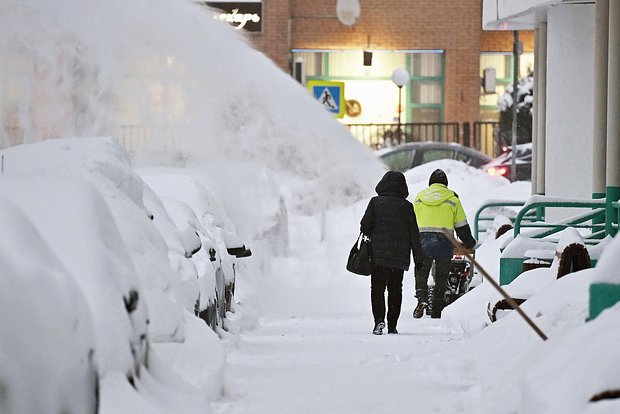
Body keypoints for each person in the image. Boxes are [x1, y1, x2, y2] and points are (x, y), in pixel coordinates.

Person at [360, 171, 423, 335]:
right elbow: (414, 234)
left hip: (378, 255)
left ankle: (379, 321)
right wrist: (418, 258)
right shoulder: (407, 206)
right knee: (396, 289)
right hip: (399, 255)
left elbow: (365, 226)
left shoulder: (375, 202)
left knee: (377, 288)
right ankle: (392, 325)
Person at [412, 169, 476, 319]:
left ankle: (422, 298)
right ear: (446, 184)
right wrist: (469, 242)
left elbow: (411, 221)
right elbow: (461, 226)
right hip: (444, 241)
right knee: (441, 277)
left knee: (421, 273)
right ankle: (437, 310)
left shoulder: (419, 197)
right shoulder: (453, 199)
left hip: (423, 240)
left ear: (430, 183)